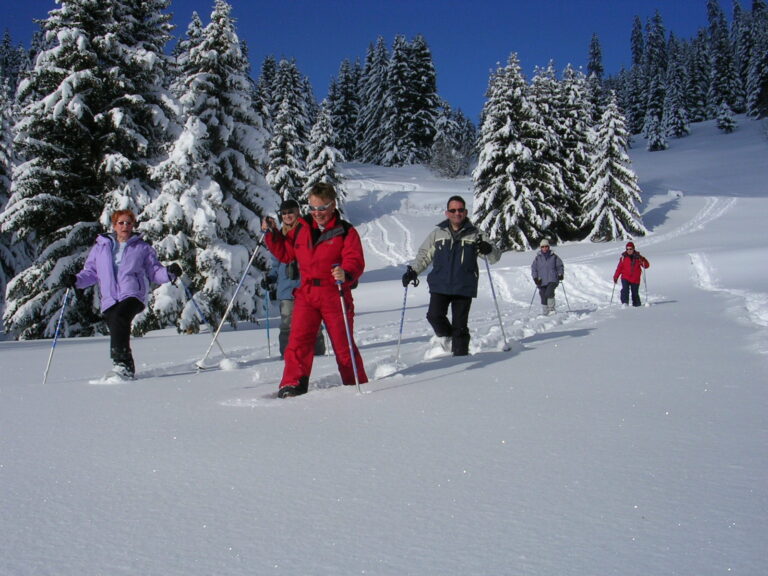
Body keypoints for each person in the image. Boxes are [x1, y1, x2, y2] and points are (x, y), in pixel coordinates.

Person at [262, 183, 367, 398]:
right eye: (312, 208)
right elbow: (286, 254)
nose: (317, 214)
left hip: (333, 294)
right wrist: (272, 233)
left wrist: (345, 272)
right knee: (297, 342)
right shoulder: (301, 228)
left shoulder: (345, 231)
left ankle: (355, 382)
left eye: (322, 208)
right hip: (307, 294)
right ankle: (293, 384)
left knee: (342, 345)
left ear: (333, 205)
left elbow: (355, 259)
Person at [70, 209, 182, 379]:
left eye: (129, 223)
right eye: (121, 223)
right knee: (116, 326)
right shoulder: (101, 248)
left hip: (132, 294)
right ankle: (126, 367)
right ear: (114, 226)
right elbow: (91, 272)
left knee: (120, 317)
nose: (125, 226)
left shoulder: (142, 248)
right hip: (109, 298)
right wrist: (76, 281)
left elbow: (154, 271)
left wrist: (169, 273)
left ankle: (121, 364)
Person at [402, 195, 501, 356]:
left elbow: (495, 258)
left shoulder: (476, 234)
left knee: (460, 327)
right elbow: (424, 255)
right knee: (434, 316)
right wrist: (413, 271)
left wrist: (488, 249)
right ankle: (448, 338)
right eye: (453, 210)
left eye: (460, 210)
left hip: (464, 285)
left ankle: (460, 358)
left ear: (466, 212)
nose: (457, 213)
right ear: (447, 213)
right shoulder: (437, 233)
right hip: (440, 284)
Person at [263, 198, 326, 357]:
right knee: (286, 324)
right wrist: (271, 277)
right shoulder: (280, 237)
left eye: (291, 211)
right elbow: (277, 262)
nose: (287, 215)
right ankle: (286, 356)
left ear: (298, 212)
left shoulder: (307, 230)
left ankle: (318, 355)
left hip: (307, 286)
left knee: (313, 323)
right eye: (284, 213)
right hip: (286, 289)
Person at [531, 238, 564, 315]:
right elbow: (534, 269)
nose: (544, 248)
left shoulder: (554, 256)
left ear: (549, 247)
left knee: (549, 293)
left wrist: (560, 274)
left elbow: (560, 266)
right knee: (543, 294)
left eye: (546, 246)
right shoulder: (537, 258)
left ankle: (551, 309)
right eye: (543, 246)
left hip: (553, 279)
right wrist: (535, 278)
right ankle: (545, 312)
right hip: (541, 280)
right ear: (540, 247)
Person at [613, 241, 650, 307]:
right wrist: (616, 277)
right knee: (625, 290)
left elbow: (646, 266)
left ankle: (637, 306)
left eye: (630, 249)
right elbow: (619, 268)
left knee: (635, 293)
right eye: (627, 249)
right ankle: (624, 304)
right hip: (625, 277)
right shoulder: (623, 258)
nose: (629, 250)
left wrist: (642, 259)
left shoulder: (638, 257)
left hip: (635, 278)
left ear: (633, 249)